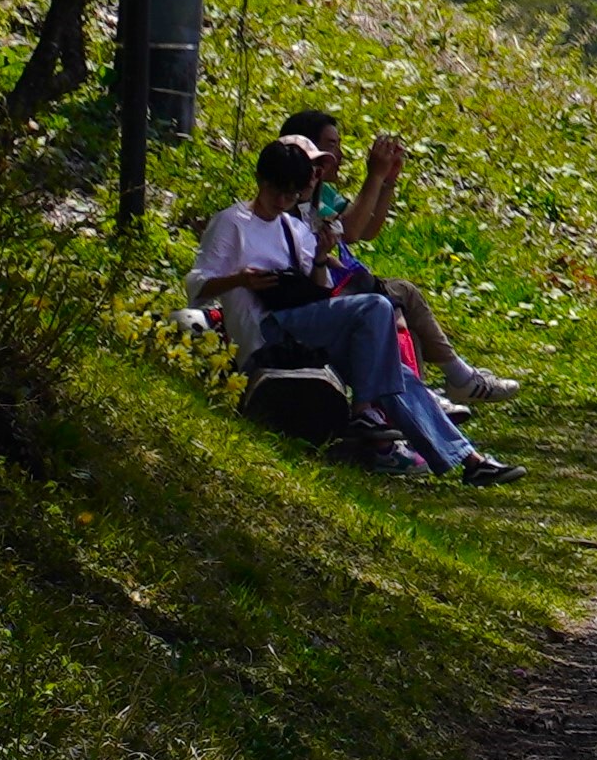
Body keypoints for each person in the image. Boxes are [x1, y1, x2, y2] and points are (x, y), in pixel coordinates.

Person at [192, 135, 507, 481]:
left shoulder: (291, 227)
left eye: (291, 195)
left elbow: (318, 291)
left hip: (300, 327)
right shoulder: (232, 222)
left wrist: (320, 259)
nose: (282, 201)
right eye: (277, 192)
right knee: (375, 307)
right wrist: (240, 279)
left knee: (395, 373)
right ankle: (364, 409)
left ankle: (470, 460)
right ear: (261, 181)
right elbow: (196, 286)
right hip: (265, 332)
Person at [271, 104, 524, 406]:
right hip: (314, 296)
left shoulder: (320, 194)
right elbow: (351, 232)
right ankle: (452, 382)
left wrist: (387, 180)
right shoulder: (290, 198)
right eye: (330, 147)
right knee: (399, 296)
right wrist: (374, 177)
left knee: (403, 313)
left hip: (329, 285)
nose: (338, 156)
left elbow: (368, 229)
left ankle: (430, 394)